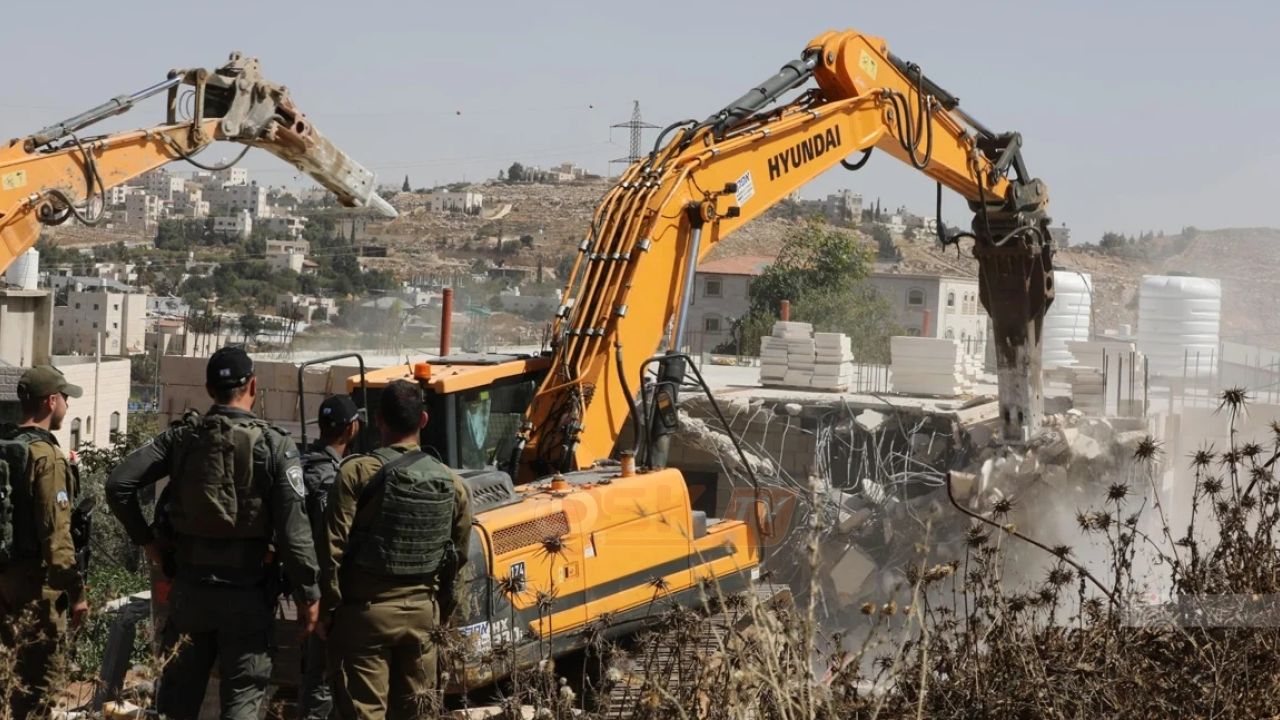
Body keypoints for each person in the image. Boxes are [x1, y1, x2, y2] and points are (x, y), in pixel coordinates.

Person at [105, 346, 320, 720]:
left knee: (177, 702)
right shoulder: (275, 446)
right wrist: (309, 594)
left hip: (190, 591)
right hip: (248, 596)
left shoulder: (182, 438)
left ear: (208, 389)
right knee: (242, 701)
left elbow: (119, 483)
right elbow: (294, 533)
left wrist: (149, 543)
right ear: (254, 385)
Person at [322, 380, 472, 719]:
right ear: (423, 420)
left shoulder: (356, 473)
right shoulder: (453, 483)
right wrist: (440, 616)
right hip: (423, 618)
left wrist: (329, 611)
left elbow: (332, 548)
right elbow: (457, 560)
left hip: (365, 618)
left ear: (378, 419)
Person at [0, 366, 89, 718]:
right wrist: (78, 594)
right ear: (51, 401)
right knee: (38, 688)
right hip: (36, 587)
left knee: (11, 679)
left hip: (4, 579)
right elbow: (57, 538)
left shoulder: (7, 446)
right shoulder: (47, 458)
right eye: (65, 397)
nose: (67, 404)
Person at [299, 394, 362, 720]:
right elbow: (330, 545)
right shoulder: (329, 479)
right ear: (351, 429)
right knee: (323, 682)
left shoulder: (302, 466)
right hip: (326, 594)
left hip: (307, 589)